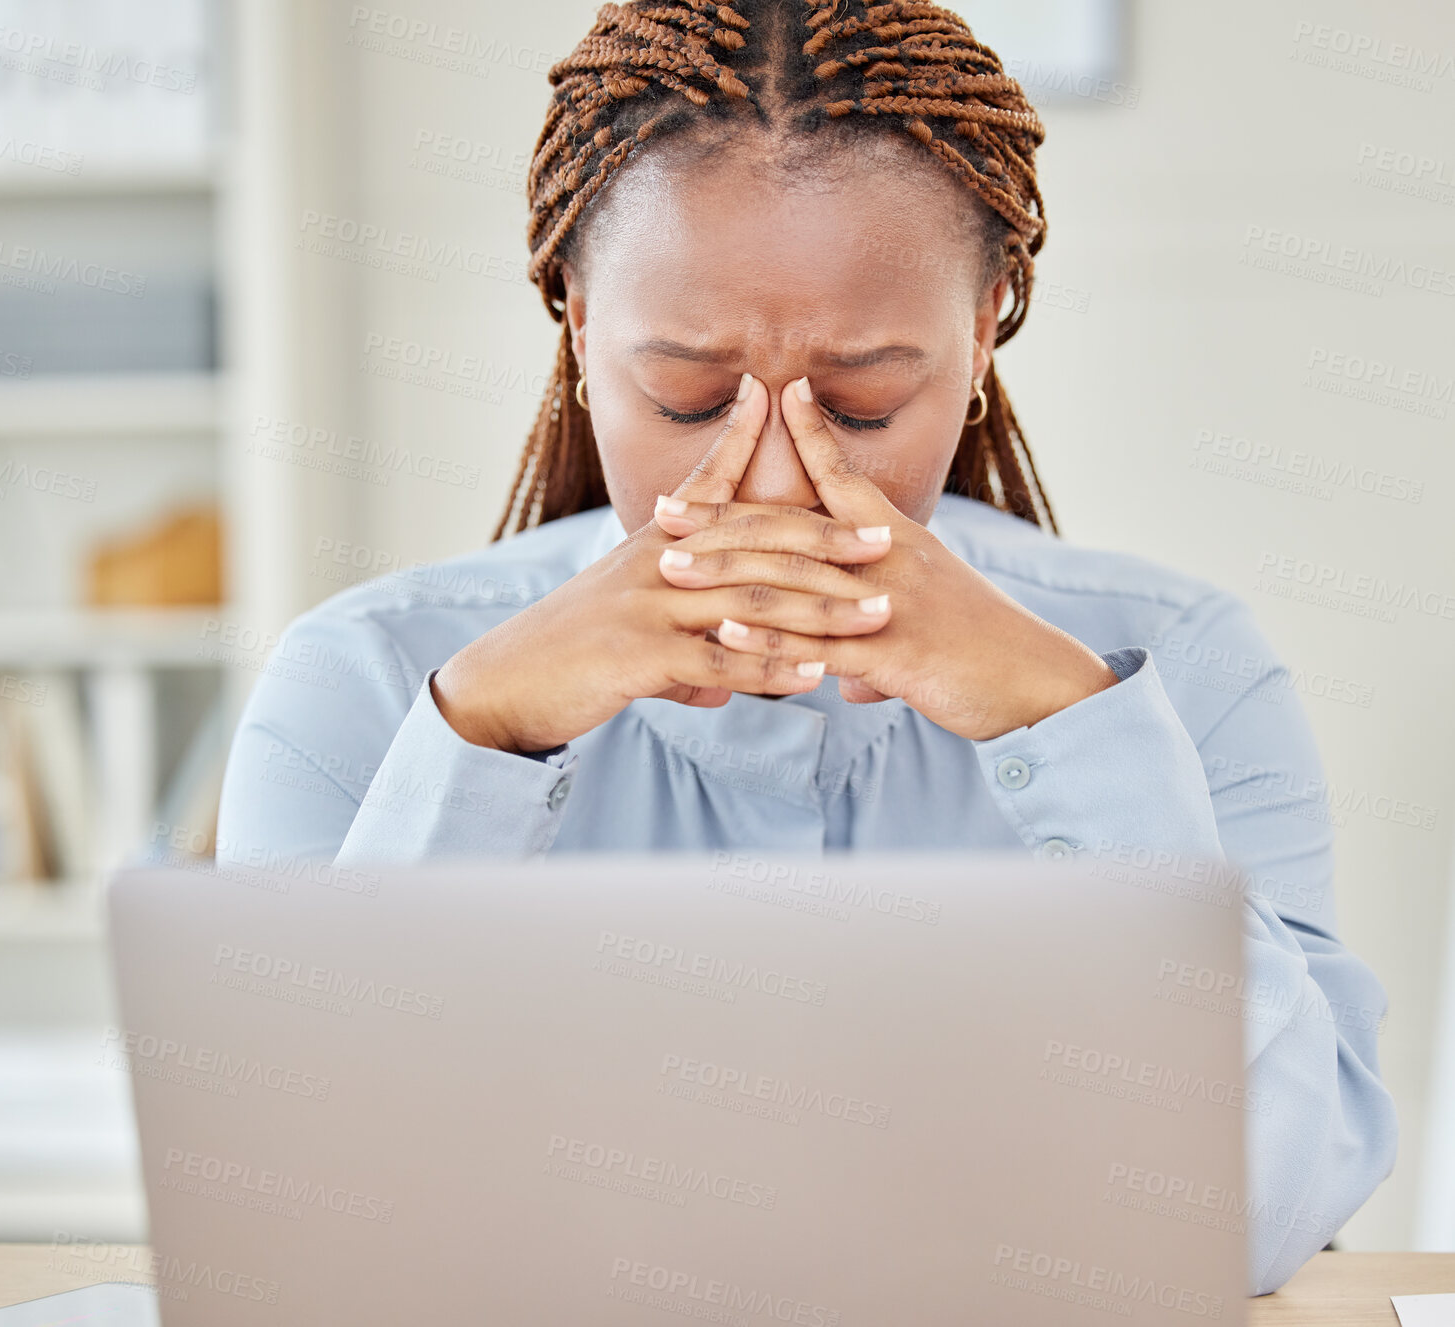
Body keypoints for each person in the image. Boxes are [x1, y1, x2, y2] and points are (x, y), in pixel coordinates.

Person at [215, 0, 1396, 1297]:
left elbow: (1259, 1216)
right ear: (574, 319)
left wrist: (1073, 732)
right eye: (686, 397)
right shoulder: (366, 683)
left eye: (865, 403)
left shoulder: (1188, 669)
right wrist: (477, 741)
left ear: (988, 319)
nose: (774, 482)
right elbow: (315, 1234)